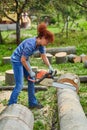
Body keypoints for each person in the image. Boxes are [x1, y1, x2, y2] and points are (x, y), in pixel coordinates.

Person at [8, 22, 55, 109]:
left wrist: (50, 66)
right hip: (17, 60)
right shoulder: (30, 44)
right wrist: (30, 71)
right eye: (47, 41)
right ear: (42, 37)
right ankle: (11, 104)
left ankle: (32, 103)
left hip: (24, 59)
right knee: (20, 85)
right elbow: (22, 59)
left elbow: (44, 56)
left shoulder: (40, 45)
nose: (47, 43)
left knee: (32, 79)